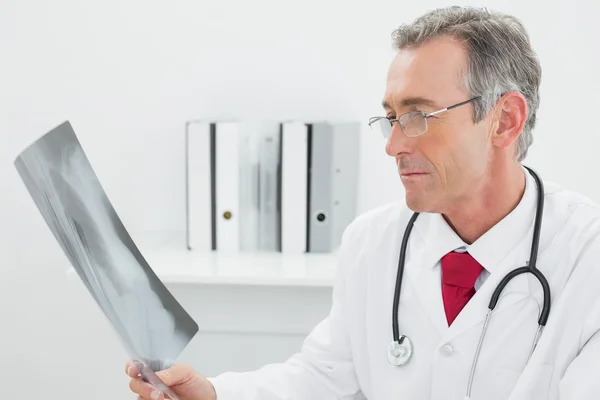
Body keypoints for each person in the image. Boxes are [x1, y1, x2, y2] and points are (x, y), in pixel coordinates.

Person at [126, 6, 600, 400]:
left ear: (504, 120)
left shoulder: (587, 254)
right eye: (391, 117)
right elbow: (323, 376)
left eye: (417, 115)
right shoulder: (373, 242)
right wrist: (212, 395)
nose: (393, 145)